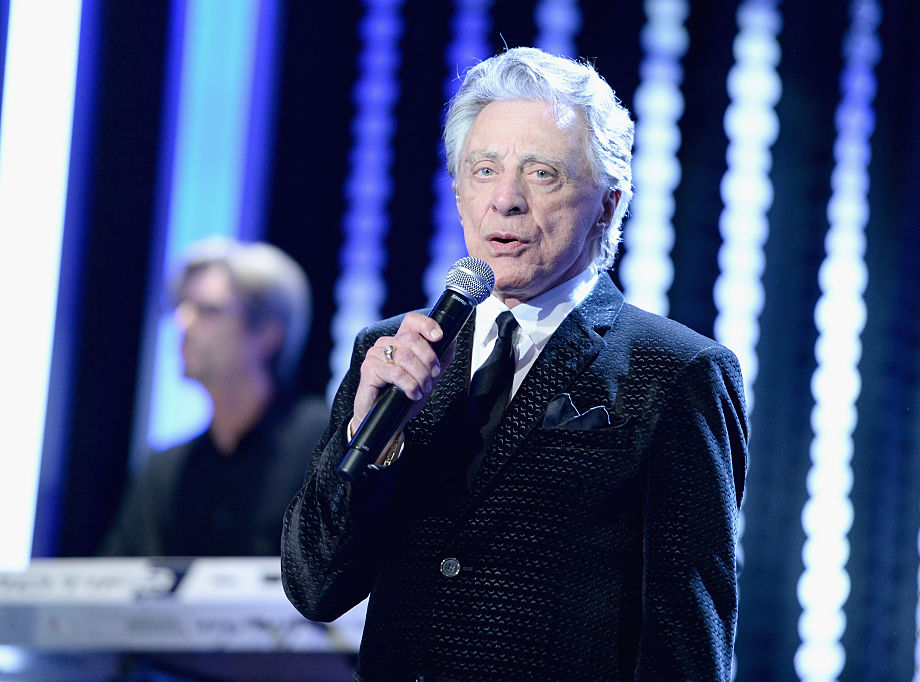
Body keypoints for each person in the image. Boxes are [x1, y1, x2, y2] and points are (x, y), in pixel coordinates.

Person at [282, 47, 748, 680]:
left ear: (608, 203)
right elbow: (315, 587)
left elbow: (685, 647)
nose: (504, 201)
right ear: (456, 191)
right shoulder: (391, 354)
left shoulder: (676, 373)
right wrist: (374, 436)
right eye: (483, 170)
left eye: (542, 174)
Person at [102, 237, 328, 557]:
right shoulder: (164, 471)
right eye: (181, 307)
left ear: (267, 334)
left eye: (207, 310)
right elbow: (114, 585)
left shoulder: (324, 445)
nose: (183, 323)